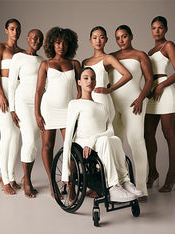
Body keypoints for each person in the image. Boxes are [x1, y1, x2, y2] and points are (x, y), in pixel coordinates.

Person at [62, 67, 143, 203]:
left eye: (93, 78)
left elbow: (110, 130)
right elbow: (69, 134)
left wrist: (94, 140)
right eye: (86, 78)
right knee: (105, 140)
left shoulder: (101, 106)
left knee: (115, 139)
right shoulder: (75, 104)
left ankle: (125, 182)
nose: (90, 81)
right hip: (82, 143)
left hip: (97, 141)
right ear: (79, 82)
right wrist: (66, 172)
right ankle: (113, 187)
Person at [109, 25, 154, 202]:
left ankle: (142, 188)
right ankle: (119, 185)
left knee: (136, 142)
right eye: (118, 38)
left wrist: (141, 99)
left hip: (134, 104)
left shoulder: (140, 55)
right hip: (114, 105)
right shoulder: (111, 56)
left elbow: (149, 79)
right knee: (114, 144)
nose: (121, 40)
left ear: (131, 36)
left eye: (124, 36)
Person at [35, 27, 81, 197]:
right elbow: (39, 90)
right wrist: (37, 114)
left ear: (70, 45)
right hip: (48, 109)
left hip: (68, 110)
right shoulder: (45, 64)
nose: (61, 46)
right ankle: (52, 182)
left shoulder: (75, 64)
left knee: (71, 146)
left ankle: (71, 184)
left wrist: (79, 109)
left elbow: (81, 90)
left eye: (65, 43)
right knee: (47, 145)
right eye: (58, 42)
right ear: (52, 44)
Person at [8, 29, 44, 198]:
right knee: (29, 140)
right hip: (22, 102)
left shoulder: (43, 61)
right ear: (28, 39)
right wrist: (12, 108)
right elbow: (12, 83)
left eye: (40, 39)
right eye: (34, 38)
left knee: (34, 143)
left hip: (39, 104)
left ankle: (25, 176)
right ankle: (28, 181)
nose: (37, 41)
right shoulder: (18, 57)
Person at [145, 16, 175, 192]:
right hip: (153, 92)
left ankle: (171, 176)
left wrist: (162, 85)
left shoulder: (168, 45)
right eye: (154, 28)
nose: (157, 31)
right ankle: (153, 172)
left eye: (160, 27)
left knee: (169, 135)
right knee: (147, 134)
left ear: (166, 29)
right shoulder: (150, 51)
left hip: (166, 91)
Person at [0, 18, 23, 195]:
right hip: (2, 92)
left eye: (17, 29)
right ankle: (4, 179)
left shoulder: (21, 52)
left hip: (17, 93)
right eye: (12, 29)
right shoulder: (0, 47)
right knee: (7, 134)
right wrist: (1, 95)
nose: (15, 32)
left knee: (16, 135)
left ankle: (11, 176)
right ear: (6, 30)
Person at [82, 26, 132, 123]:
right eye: (95, 37)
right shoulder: (85, 62)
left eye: (101, 37)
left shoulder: (108, 58)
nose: (98, 41)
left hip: (102, 99)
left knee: (104, 132)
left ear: (106, 40)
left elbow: (127, 75)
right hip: (87, 101)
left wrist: (110, 89)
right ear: (90, 40)